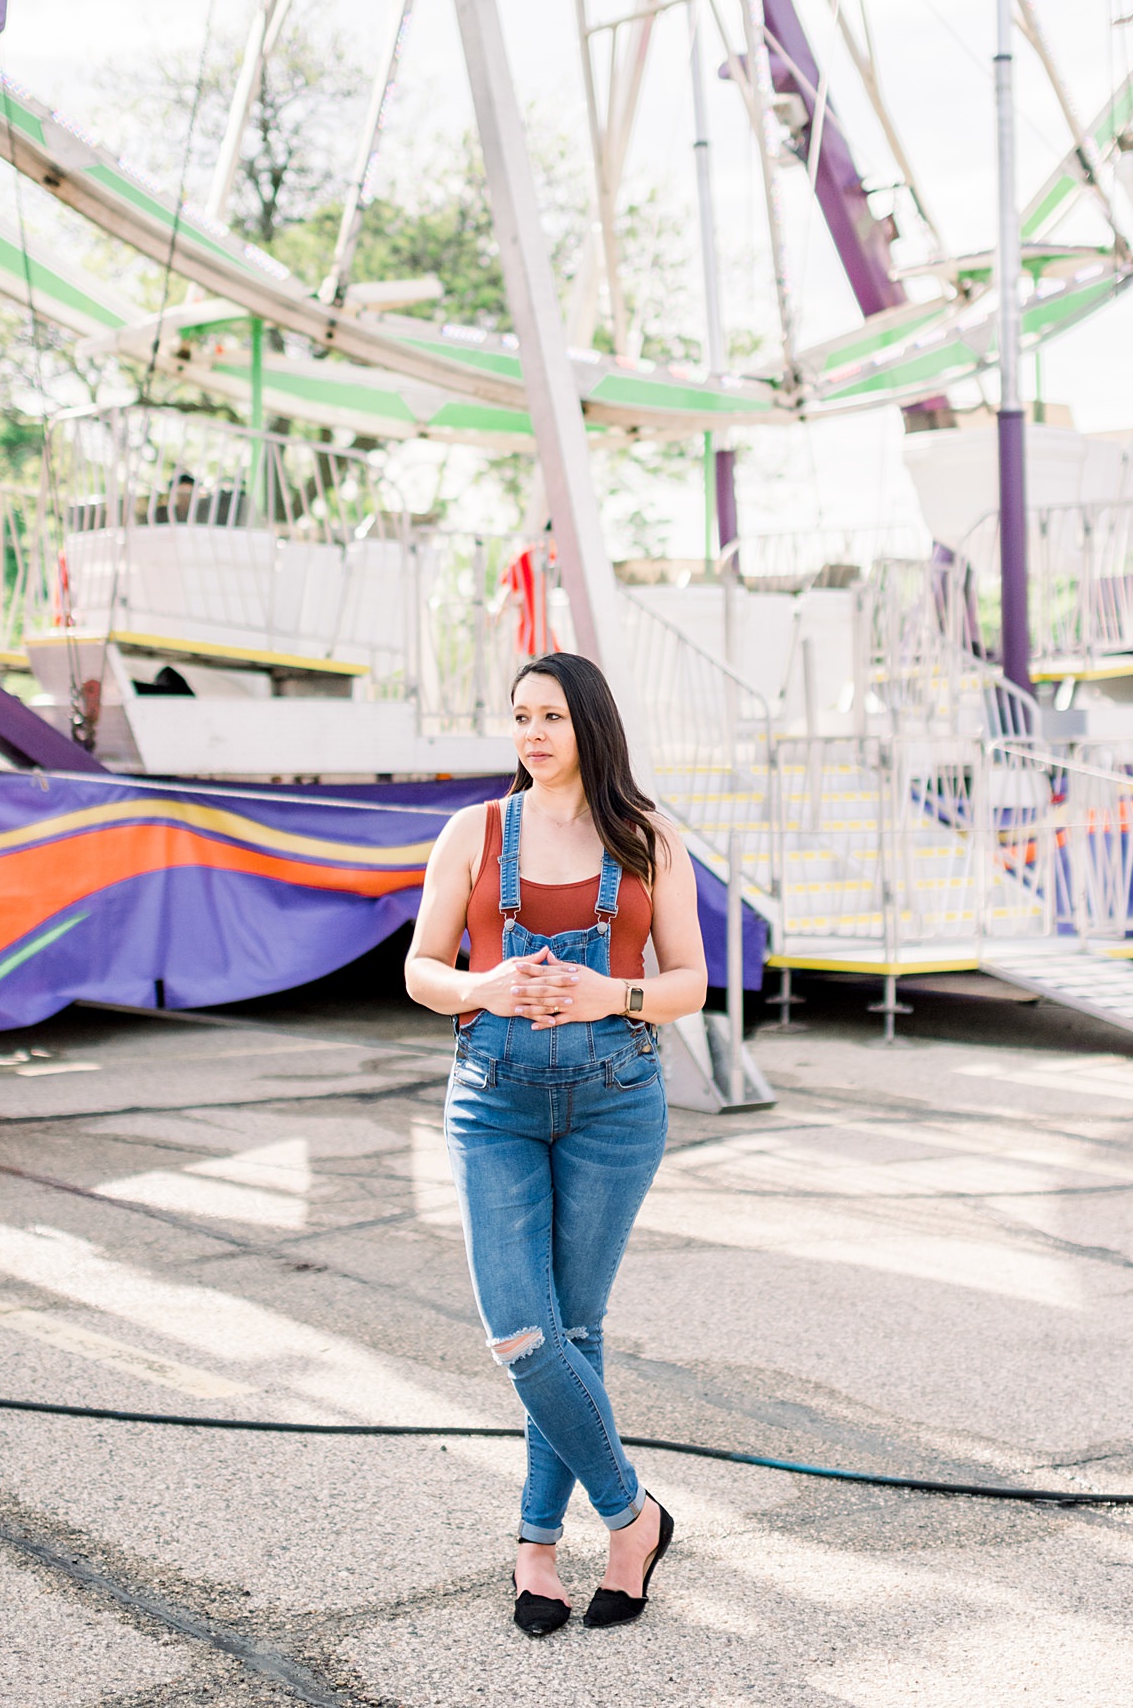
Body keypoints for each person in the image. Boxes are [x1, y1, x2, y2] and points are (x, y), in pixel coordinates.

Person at [406, 651, 708, 1637]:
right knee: (522, 1332)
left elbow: (689, 984)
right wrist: (477, 987)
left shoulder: (649, 837)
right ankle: (633, 1516)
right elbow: (419, 968)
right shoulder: (474, 831)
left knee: (574, 1329)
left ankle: (536, 1547)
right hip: (490, 1100)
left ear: (591, 726)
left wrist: (610, 993)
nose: (533, 734)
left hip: (617, 1102)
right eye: (521, 715)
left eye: (553, 717)